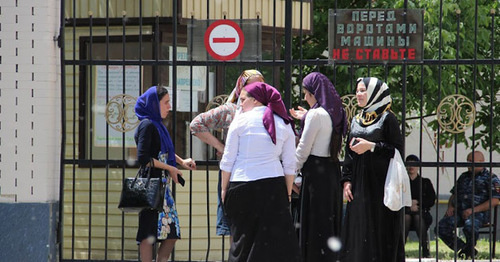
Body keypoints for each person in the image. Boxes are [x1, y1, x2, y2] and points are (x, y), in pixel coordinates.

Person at [220, 82, 300, 262]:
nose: (240, 104)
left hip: (241, 185)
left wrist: (224, 189)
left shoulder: (239, 121)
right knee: (271, 244)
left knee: (242, 241)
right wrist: (287, 193)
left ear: (255, 100)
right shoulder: (285, 123)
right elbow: (289, 165)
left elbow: (228, 160)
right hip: (273, 187)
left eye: (242, 100)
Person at [189, 69, 264, 241]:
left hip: (259, 173)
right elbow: (196, 124)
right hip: (233, 174)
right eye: (252, 85)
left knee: (258, 227)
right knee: (235, 227)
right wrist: (221, 147)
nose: (256, 88)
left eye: (260, 84)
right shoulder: (231, 111)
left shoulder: (267, 111)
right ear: (241, 87)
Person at [340, 77, 405, 262]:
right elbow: (349, 154)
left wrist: (372, 146)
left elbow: (398, 151)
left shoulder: (387, 118)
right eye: (358, 91)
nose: (358, 94)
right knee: (359, 226)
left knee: (380, 225)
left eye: (363, 91)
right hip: (360, 182)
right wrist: (346, 180)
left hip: (382, 182)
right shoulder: (356, 119)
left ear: (375, 93)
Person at [134, 85, 197, 262]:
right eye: (166, 102)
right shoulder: (147, 125)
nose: (169, 106)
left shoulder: (157, 125)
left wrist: (181, 161)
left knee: (171, 234)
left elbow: (164, 151)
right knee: (148, 234)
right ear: (154, 104)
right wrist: (170, 168)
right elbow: (143, 158)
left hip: (163, 188)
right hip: (151, 186)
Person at [290, 72, 347, 262]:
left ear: (315, 93)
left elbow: (303, 150)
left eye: (306, 93)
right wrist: (307, 116)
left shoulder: (315, 114)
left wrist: (289, 175)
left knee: (313, 224)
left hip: (315, 172)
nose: (305, 98)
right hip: (331, 171)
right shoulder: (335, 112)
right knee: (327, 222)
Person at [436, 151, 500, 259]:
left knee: (470, 225)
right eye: (468, 161)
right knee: (441, 227)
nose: (469, 164)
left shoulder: (491, 178)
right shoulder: (464, 177)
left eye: (472, 161)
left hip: (479, 214)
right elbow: (454, 194)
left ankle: (468, 251)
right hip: (460, 212)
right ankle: (464, 248)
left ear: (481, 162)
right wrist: (450, 206)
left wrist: (473, 210)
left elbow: (494, 200)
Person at [404, 154, 436, 258]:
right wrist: (408, 204)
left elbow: (431, 199)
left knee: (418, 217)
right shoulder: (402, 182)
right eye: (409, 164)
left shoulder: (425, 182)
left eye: (414, 164)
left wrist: (418, 203)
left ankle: (425, 249)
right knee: (406, 218)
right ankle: (400, 249)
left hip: (421, 212)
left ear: (418, 166)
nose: (411, 167)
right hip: (405, 212)